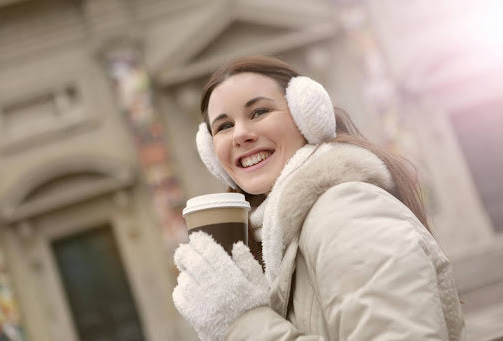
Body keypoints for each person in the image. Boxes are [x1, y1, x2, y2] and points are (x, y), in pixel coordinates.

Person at [172, 55, 466, 341]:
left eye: (259, 112)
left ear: (306, 116)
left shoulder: (346, 212)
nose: (240, 134)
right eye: (224, 126)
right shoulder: (281, 235)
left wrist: (242, 323)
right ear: (210, 152)